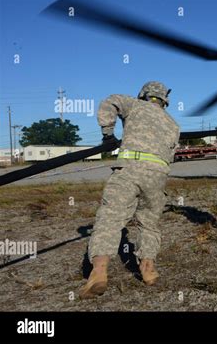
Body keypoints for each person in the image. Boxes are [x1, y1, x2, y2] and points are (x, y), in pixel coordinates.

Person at [79, 81, 180, 299]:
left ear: (144, 94)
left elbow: (110, 102)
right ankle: (148, 269)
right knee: (150, 224)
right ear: (165, 99)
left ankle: (98, 272)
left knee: (111, 217)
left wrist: (108, 133)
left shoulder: (134, 105)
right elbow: (171, 153)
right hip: (158, 175)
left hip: (129, 169)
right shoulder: (173, 123)